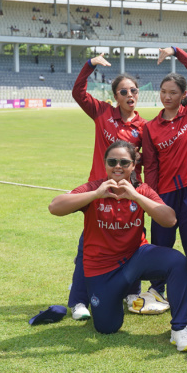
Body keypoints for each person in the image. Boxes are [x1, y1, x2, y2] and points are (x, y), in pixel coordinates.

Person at [48, 140, 187, 351]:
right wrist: (96, 195)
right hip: (101, 268)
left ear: (133, 165)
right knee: (107, 327)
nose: (118, 166)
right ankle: (111, 299)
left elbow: (170, 220)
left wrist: (135, 195)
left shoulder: (141, 189)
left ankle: (180, 328)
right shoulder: (93, 188)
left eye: (124, 162)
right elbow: (54, 207)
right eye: (112, 161)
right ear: (105, 163)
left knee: (176, 260)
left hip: (135, 258)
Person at [68, 54, 146, 321]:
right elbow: (78, 92)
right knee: (89, 242)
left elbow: (147, 161)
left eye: (133, 90)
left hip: (127, 193)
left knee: (132, 240)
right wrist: (89, 64)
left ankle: (130, 292)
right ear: (116, 96)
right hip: (98, 191)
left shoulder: (143, 127)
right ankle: (78, 300)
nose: (129, 94)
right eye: (123, 91)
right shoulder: (102, 112)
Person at [140, 47, 187, 310]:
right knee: (161, 244)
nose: (167, 97)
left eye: (173, 93)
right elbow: (151, 166)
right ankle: (156, 290)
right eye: (163, 92)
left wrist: (176, 52)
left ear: (183, 95)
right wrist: (153, 198)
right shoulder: (150, 127)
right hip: (164, 194)